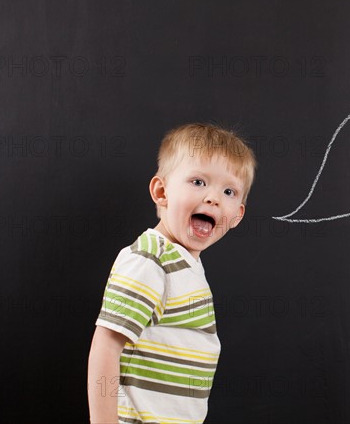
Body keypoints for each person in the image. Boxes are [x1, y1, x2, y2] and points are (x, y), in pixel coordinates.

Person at [87, 123, 257, 423]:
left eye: (228, 191)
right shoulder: (150, 260)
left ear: (237, 215)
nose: (213, 198)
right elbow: (105, 347)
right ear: (162, 191)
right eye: (198, 182)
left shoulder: (184, 264)